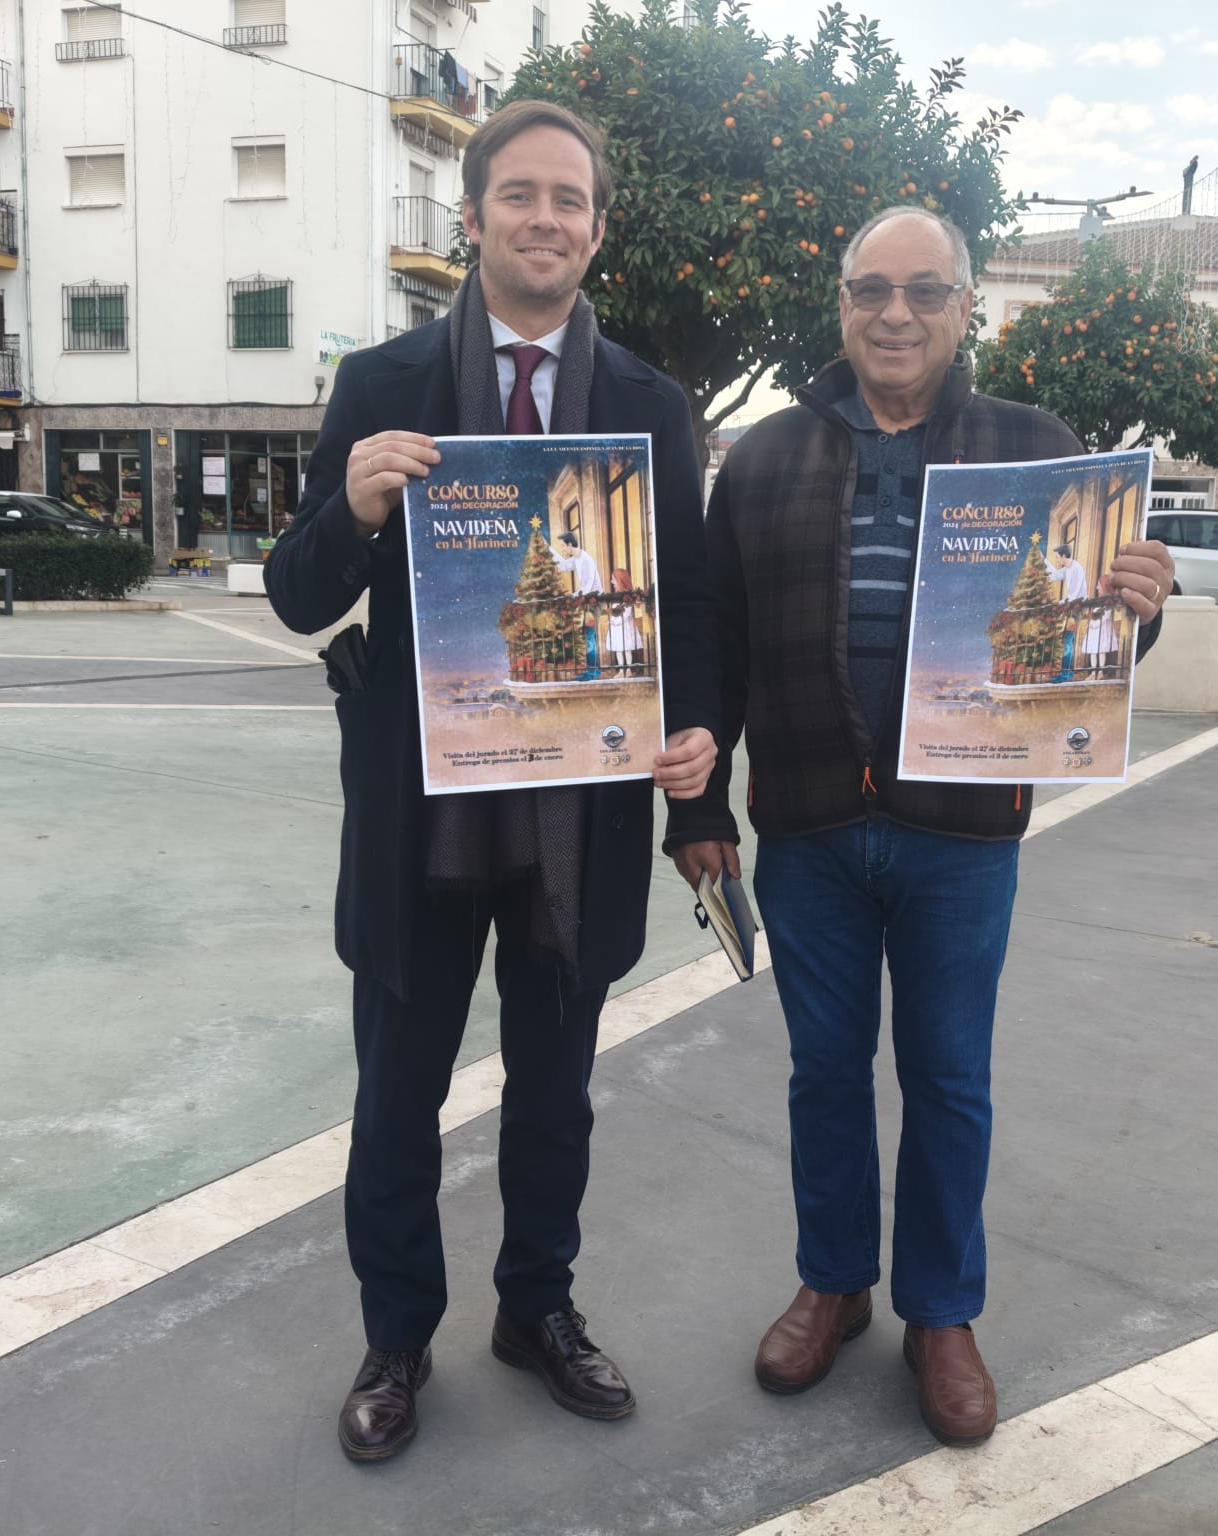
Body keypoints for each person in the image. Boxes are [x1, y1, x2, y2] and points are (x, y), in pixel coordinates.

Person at [664, 206, 1175, 1448]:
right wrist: (696, 805)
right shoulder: (768, 457)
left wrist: (1137, 608)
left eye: (924, 292)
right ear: (840, 303)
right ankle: (836, 1284)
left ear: (964, 307)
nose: (895, 313)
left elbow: (1085, 646)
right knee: (823, 1073)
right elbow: (715, 645)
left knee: (949, 1080)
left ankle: (940, 1313)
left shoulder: (1034, 451)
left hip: (963, 834)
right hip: (807, 829)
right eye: (871, 290)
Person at [263, 98, 720, 1465]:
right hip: (421, 821)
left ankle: (538, 1311)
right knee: (397, 1094)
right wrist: (347, 507)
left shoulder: (648, 410)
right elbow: (296, 598)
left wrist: (696, 766)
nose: (543, 220)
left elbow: (686, 620)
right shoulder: (384, 386)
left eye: (568, 200)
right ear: (472, 219)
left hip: (576, 813)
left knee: (555, 1092)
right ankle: (396, 1335)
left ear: (595, 230)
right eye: (517, 196)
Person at [554, 529, 604, 679]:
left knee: (589, 637)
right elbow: (563, 566)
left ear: (570, 544)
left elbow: (587, 587)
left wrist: (572, 595)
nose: (562, 549)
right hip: (588, 602)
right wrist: (548, 549)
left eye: (563, 546)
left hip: (594, 602)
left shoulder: (586, 559)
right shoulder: (576, 558)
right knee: (588, 636)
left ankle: (593, 672)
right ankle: (591, 670)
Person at [1043, 543, 1092, 681]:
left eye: (1058, 557)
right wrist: (1044, 561)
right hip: (1070, 606)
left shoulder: (1076, 569)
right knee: (1066, 639)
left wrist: (1060, 603)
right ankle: (1065, 672)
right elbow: (1054, 576)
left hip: (1077, 607)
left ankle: (1066, 673)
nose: (1057, 560)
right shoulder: (1067, 569)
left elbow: (1074, 593)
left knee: (1068, 639)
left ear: (1064, 556)